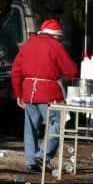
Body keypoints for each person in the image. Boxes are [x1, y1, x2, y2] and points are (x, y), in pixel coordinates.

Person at [11, 19, 79, 172]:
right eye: (60, 37)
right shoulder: (55, 46)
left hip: (29, 91)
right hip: (49, 92)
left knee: (31, 127)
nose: (61, 40)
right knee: (57, 123)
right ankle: (43, 155)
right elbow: (71, 71)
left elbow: (16, 71)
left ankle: (31, 161)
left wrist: (19, 93)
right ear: (56, 35)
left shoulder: (27, 45)